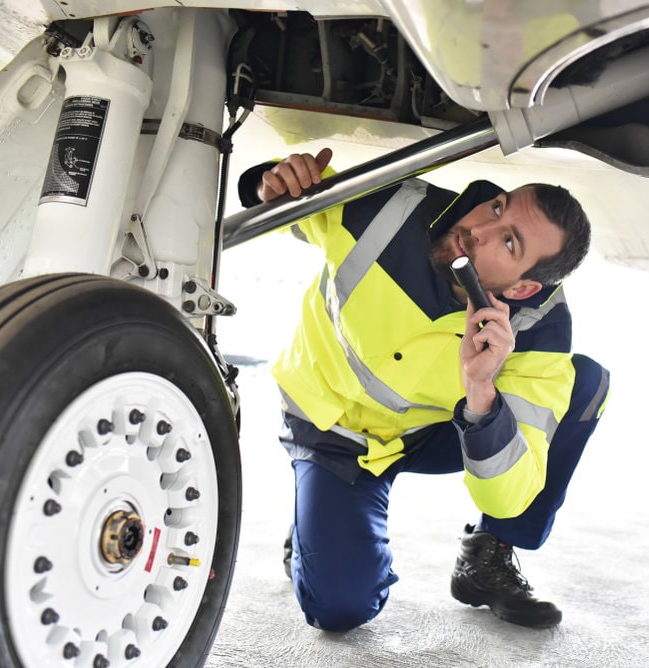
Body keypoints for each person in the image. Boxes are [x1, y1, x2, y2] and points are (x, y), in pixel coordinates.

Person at [237, 147, 610, 631]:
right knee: (340, 609)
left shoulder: (540, 330)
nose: (477, 230)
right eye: (498, 208)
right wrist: (272, 183)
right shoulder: (389, 207)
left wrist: (481, 391)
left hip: (429, 432)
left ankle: (488, 557)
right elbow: (273, 205)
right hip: (334, 431)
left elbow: (508, 493)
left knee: (586, 385)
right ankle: (318, 523)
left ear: (521, 289)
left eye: (509, 243)